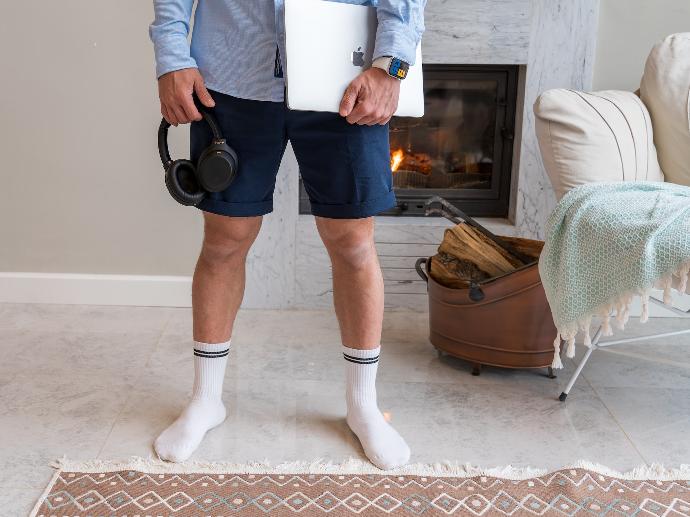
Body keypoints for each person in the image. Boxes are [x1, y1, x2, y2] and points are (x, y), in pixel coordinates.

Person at [149, 0, 426, 470]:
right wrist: (172, 57)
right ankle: (206, 398)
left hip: (348, 75)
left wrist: (391, 68)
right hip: (231, 78)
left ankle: (362, 405)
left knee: (354, 244)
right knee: (223, 241)